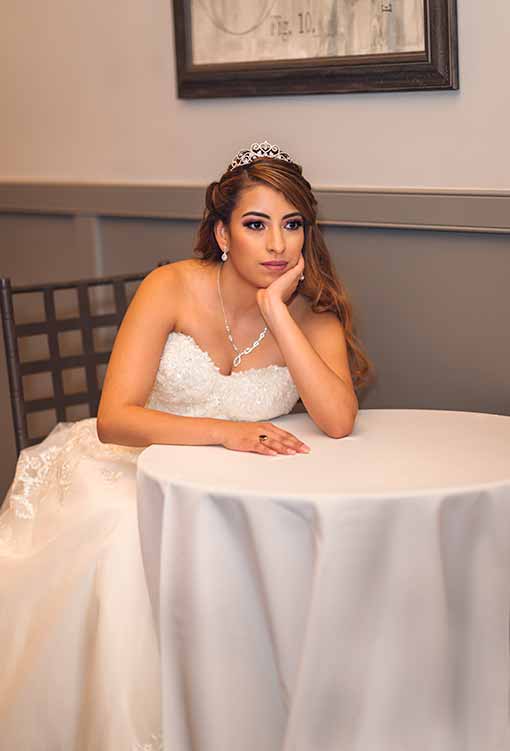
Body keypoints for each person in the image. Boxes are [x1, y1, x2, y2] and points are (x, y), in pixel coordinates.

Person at [0, 140, 370, 750]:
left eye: (292, 225)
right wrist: (228, 433)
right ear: (222, 234)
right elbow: (114, 419)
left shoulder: (315, 313)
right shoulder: (169, 287)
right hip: (129, 467)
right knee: (127, 541)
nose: (278, 244)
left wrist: (278, 313)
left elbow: (336, 421)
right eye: (256, 225)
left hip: (244, 486)